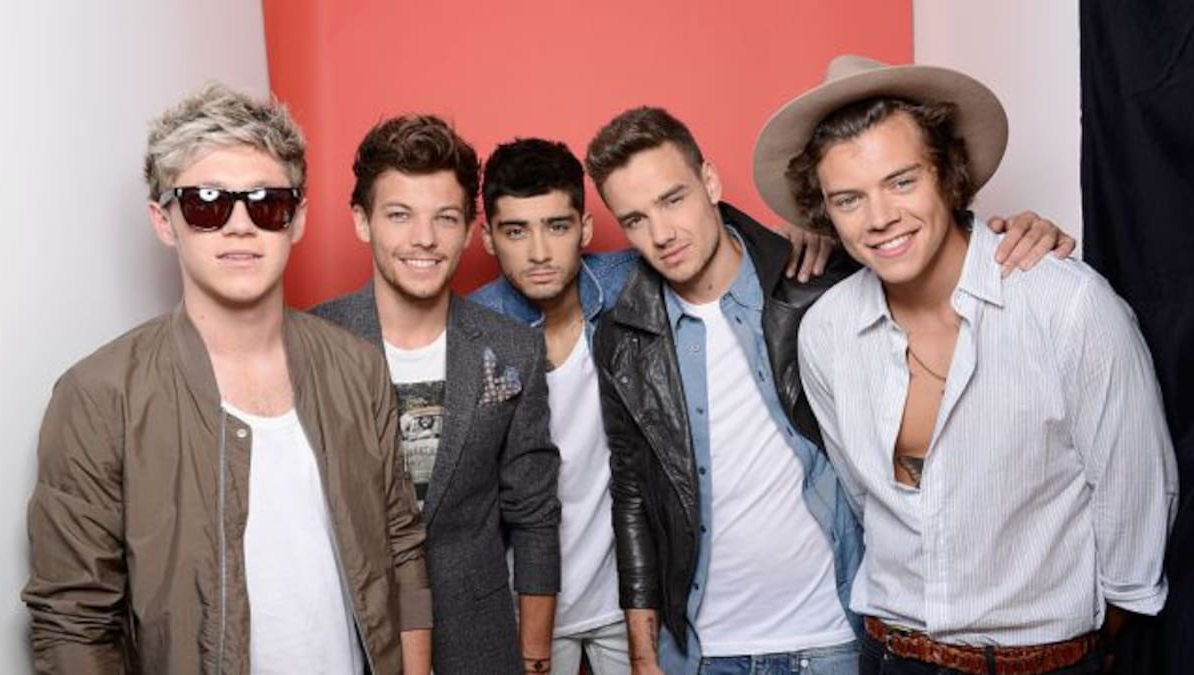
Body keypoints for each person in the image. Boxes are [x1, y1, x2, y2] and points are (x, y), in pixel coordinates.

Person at [584, 105, 1074, 675]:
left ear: (710, 182)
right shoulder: (623, 337)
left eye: (673, 199)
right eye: (636, 219)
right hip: (701, 650)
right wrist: (644, 656)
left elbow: (930, 247)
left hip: (833, 636)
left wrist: (1018, 236)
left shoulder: (817, 285)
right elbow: (632, 495)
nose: (662, 233)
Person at [756, 54, 1177, 674]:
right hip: (890, 653)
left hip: (1042, 662)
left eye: (902, 182)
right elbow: (865, 499)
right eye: (849, 199)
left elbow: (1133, 497)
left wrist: (1080, 648)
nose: (879, 218)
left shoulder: (1066, 306)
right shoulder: (825, 332)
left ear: (948, 174)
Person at [22, 83, 431, 674]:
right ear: (165, 220)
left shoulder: (357, 367)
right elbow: (73, 623)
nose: (240, 225)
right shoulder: (98, 397)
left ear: (296, 220)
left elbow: (402, 547)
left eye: (266, 202)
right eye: (207, 202)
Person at [312, 115, 560, 675]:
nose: (424, 238)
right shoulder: (313, 342)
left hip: (476, 637)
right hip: (345, 631)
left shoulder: (512, 348)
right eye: (399, 215)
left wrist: (535, 655)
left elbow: (535, 513)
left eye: (445, 218)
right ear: (362, 221)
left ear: (470, 229)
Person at [470, 138, 637, 675]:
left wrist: (802, 236)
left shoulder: (628, 283)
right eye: (516, 231)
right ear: (488, 238)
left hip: (630, 599)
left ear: (585, 228)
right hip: (520, 603)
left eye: (557, 226)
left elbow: (714, 244)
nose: (539, 252)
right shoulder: (472, 333)